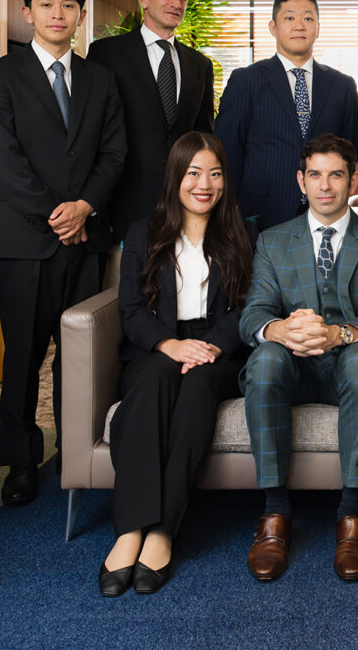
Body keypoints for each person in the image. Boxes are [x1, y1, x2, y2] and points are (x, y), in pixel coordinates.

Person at [0, 0, 126, 506]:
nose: (57, 14)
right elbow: (4, 161)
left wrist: (84, 207)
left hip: (86, 238)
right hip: (25, 239)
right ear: (28, 12)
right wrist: (57, 214)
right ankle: (20, 461)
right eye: (46, 5)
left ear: (81, 16)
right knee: (23, 354)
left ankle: (74, 449)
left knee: (78, 354)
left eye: (68, 6)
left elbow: (114, 154)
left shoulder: (99, 80)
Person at [239, 134, 358, 582]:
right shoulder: (273, 241)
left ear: (353, 179)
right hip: (292, 365)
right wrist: (281, 330)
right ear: (301, 180)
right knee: (265, 359)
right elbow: (254, 311)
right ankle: (275, 515)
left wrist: (338, 334)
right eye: (315, 175)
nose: (326, 186)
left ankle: (352, 516)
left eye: (336, 175)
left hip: (350, 364)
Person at [99, 132, 254, 597]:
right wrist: (168, 344)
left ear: (225, 180)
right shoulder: (142, 233)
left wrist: (210, 347)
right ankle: (130, 530)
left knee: (197, 391)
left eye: (214, 173)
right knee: (149, 388)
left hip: (217, 350)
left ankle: (163, 529)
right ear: (176, 177)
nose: (203, 184)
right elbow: (130, 310)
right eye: (192, 173)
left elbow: (248, 307)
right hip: (158, 345)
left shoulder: (242, 233)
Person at [215, 0, 358, 230]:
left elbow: (350, 150)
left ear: (318, 27)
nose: (299, 25)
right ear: (273, 27)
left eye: (308, 18)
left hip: (326, 209)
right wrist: (231, 207)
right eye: (289, 18)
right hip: (261, 211)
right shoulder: (246, 80)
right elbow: (227, 149)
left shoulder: (342, 85)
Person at [88, 0, 215, 244]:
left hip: (183, 205)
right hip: (123, 206)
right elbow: (92, 135)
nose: (176, 3)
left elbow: (204, 137)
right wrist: (97, 208)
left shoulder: (199, 65)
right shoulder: (105, 54)